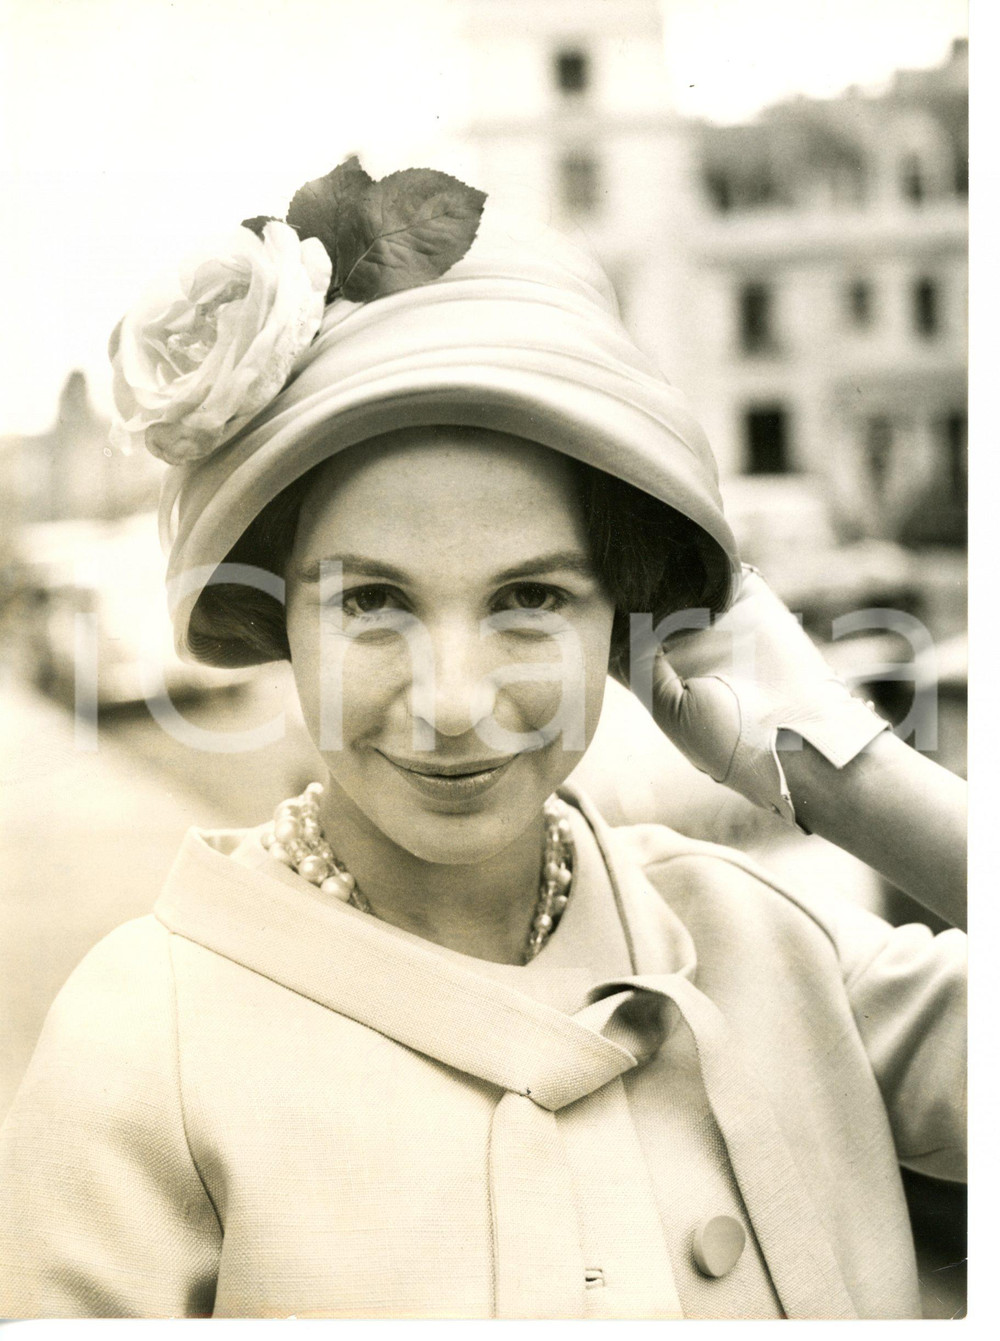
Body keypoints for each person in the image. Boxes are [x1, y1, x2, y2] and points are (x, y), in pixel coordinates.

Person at [0, 164, 965, 1320]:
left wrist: (840, 772)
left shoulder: (769, 948)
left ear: (626, 616)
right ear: (279, 622)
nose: (451, 699)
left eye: (530, 599)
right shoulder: (143, 1040)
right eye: (371, 603)